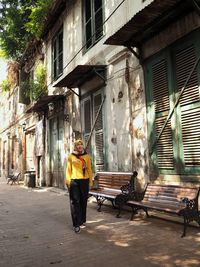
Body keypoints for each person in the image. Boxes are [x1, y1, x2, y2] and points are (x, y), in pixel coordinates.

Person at [66, 139, 93, 233]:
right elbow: (68, 170)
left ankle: (82, 219)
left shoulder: (86, 156)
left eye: (81, 145)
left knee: (83, 201)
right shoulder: (71, 156)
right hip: (74, 181)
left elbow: (89, 169)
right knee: (75, 202)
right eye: (78, 145)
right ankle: (76, 224)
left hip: (85, 181)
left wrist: (90, 182)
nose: (80, 146)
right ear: (75, 147)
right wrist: (68, 181)